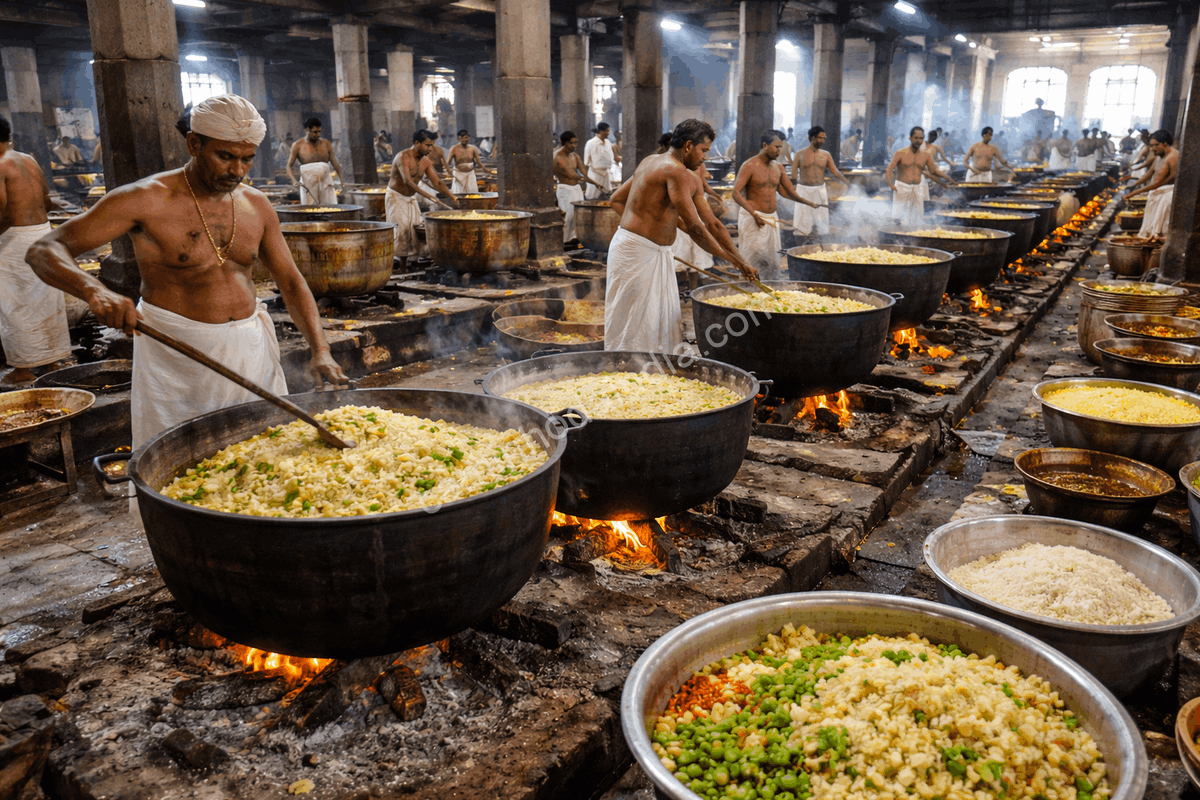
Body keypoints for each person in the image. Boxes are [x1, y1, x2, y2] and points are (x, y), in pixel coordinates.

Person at [25, 95, 348, 447]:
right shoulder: (145, 199)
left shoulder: (256, 205)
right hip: (177, 355)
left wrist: (320, 349)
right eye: (225, 156)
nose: (237, 171)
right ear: (194, 144)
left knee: (265, 451)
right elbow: (43, 250)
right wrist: (94, 291)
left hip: (251, 349)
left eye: (247, 158)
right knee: (181, 456)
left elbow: (291, 281)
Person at [605, 119, 755, 353]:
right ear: (687, 146)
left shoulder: (652, 162)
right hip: (637, 253)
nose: (705, 157)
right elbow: (696, 227)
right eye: (703, 150)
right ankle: (627, 370)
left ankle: (653, 371)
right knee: (635, 325)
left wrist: (741, 260)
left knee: (656, 321)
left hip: (646, 250)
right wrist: (733, 261)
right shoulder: (675, 170)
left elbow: (713, 224)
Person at [0, 115, 72, 385]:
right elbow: (46, 200)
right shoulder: (28, 159)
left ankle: (23, 369)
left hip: (14, 238)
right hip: (42, 232)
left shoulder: (0, 165)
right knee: (45, 299)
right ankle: (53, 360)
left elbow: (6, 213)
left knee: (14, 305)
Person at [732, 129, 826, 280]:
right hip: (753, 217)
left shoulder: (778, 167)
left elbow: (787, 192)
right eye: (776, 147)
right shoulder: (749, 165)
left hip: (771, 218)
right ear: (765, 146)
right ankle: (751, 289)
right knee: (754, 258)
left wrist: (809, 203)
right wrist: (754, 214)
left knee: (773, 259)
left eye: (780, 147)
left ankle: (771, 287)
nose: (779, 151)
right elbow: (735, 193)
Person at [386, 130, 458, 268]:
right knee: (402, 229)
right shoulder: (403, 157)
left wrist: (453, 197)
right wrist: (428, 195)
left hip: (410, 197)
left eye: (432, 145)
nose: (430, 149)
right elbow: (408, 181)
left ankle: (412, 261)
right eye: (427, 145)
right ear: (417, 142)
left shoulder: (425, 161)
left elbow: (437, 182)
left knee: (415, 228)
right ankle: (401, 267)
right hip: (396, 197)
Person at [887, 127, 955, 227]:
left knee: (917, 219)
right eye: (916, 138)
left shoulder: (926, 155)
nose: (918, 141)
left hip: (917, 188)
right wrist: (891, 184)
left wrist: (947, 180)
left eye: (921, 138)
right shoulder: (900, 153)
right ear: (910, 138)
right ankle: (896, 234)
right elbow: (889, 170)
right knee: (899, 218)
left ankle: (913, 234)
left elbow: (933, 171)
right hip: (902, 187)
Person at [790, 126, 849, 238]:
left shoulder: (826, 154)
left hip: (820, 189)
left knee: (822, 219)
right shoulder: (799, 154)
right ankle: (802, 240)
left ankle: (822, 241)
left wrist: (848, 183)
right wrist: (792, 188)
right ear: (813, 138)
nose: (823, 140)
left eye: (824, 138)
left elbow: (835, 172)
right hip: (804, 190)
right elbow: (793, 175)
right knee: (802, 220)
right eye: (820, 138)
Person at [1126, 129, 1178, 238]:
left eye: (1155, 145)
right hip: (1156, 193)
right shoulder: (1159, 156)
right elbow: (1149, 173)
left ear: (1165, 144)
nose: (1152, 149)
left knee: (1159, 230)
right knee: (1149, 229)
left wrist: (1134, 193)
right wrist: (1133, 185)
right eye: (1151, 146)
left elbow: (1161, 182)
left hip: (1166, 196)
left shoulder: (1174, 157)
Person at [552, 131, 601, 243]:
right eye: (572, 143)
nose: (574, 145)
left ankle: (575, 240)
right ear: (565, 143)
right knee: (568, 217)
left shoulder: (575, 156)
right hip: (565, 189)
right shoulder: (557, 157)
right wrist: (583, 179)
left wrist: (597, 184)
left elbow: (584, 173)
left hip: (576, 189)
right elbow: (571, 175)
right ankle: (564, 242)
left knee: (578, 216)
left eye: (576, 143)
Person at [286, 117, 344, 205]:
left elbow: (335, 163)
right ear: (307, 130)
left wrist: (342, 180)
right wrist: (294, 181)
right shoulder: (297, 145)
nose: (318, 134)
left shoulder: (326, 144)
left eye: (319, 131)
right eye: (315, 132)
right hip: (307, 183)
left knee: (330, 207)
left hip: (325, 180)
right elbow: (289, 166)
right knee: (309, 208)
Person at [447, 129, 491, 194]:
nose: (466, 139)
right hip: (458, 174)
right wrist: (449, 172)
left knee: (473, 193)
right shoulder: (454, 149)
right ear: (460, 138)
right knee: (459, 193)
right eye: (464, 138)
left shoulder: (473, 148)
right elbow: (447, 163)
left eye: (467, 137)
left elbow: (479, 162)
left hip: (470, 174)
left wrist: (486, 170)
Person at [583, 122, 617, 200]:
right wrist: (586, 177)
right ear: (601, 131)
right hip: (595, 175)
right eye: (607, 131)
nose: (608, 133)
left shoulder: (608, 143)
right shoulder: (590, 143)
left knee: (607, 197)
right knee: (592, 197)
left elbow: (611, 158)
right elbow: (586, 163)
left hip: (606, 174)